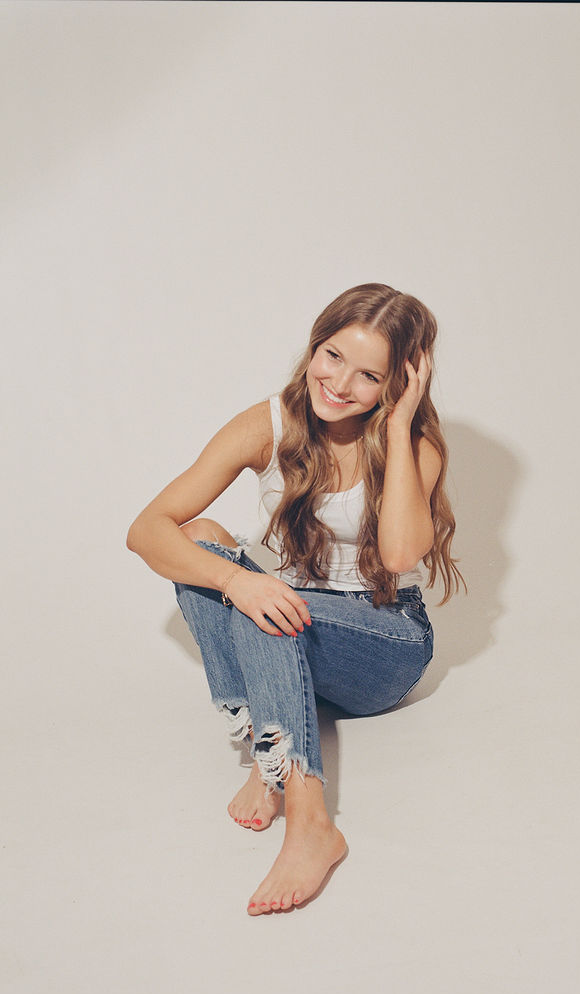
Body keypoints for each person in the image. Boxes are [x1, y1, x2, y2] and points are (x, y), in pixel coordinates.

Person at [126, 282, 463, 915]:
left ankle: (311, 825)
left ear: (398, 384)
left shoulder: (416, 446)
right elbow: (146, 530)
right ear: (315, 342)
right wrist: (233, 579)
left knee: (268, 603)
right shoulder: (270, 424)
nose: (339, 383)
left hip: (385, 644)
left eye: (370, 375)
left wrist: (396, 427)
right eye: (332, 355)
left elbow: (398, 557)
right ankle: (271, 743)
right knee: (202, 543)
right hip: (299, 625)